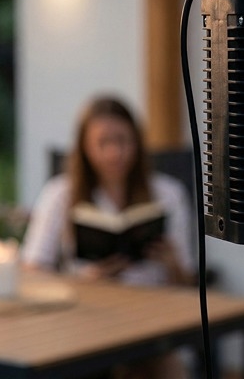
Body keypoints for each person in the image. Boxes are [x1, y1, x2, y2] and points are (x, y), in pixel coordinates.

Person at [21, 95, 197, 379]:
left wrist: (171, 262)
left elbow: (187, 285)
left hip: (151, 320)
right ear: (84, 147)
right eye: (103, 142)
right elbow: (32, 270)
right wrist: (81, 283)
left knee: (162, 363)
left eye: (123, 141)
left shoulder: (168, 194)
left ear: (137, 142)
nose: (115, 152)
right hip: (84, 321)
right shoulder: (59, 194)